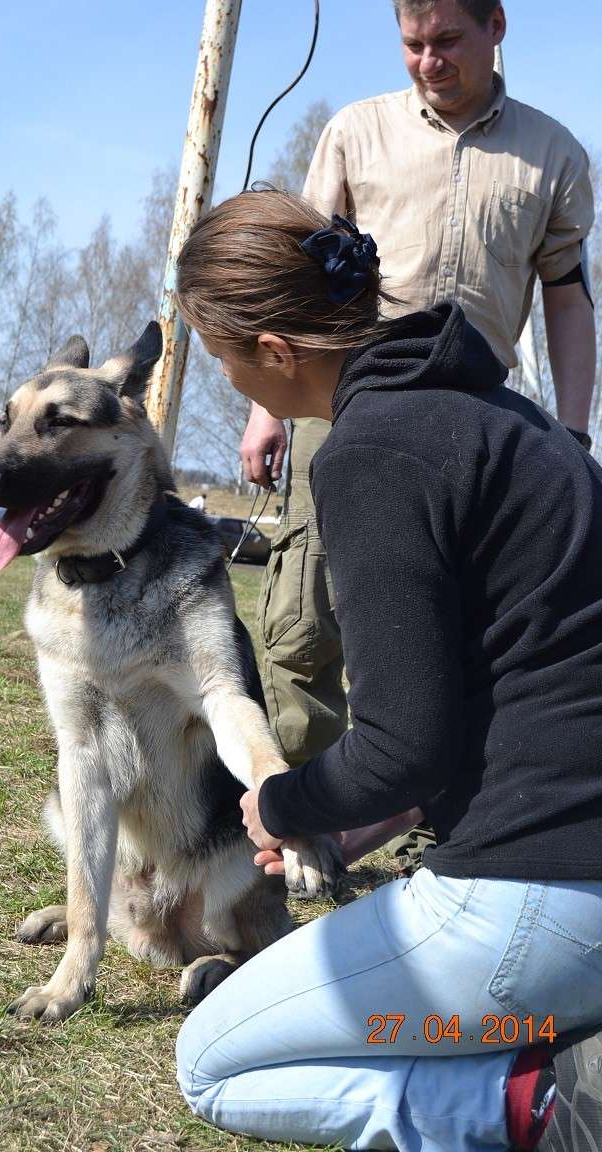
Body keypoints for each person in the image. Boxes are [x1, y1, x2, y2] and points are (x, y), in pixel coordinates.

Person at [173, 189, 602, 1151]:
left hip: (540, 902)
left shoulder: (373, 454)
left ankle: (535, 1102)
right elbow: (478, 717)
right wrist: (347, 822)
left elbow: (402, 749)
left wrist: (281, 807)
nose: (227, 377)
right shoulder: (500, 417)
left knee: (213, 1062)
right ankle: (540, 1038)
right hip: (579, 874)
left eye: (222, 356)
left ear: (276, 352)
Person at [240, 0, 596, 875]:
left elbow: (566, 299)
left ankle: (451, 835)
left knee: (462, 641)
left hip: (472, 438)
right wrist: (266, 408)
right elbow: (295, 272)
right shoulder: (355, 133)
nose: (428, 61)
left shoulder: (554, 154)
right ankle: (287, 837)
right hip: (349, 417)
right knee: (305, 625)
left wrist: (576, 430)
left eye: (447, 41)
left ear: (496, 28)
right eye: (412, 44)